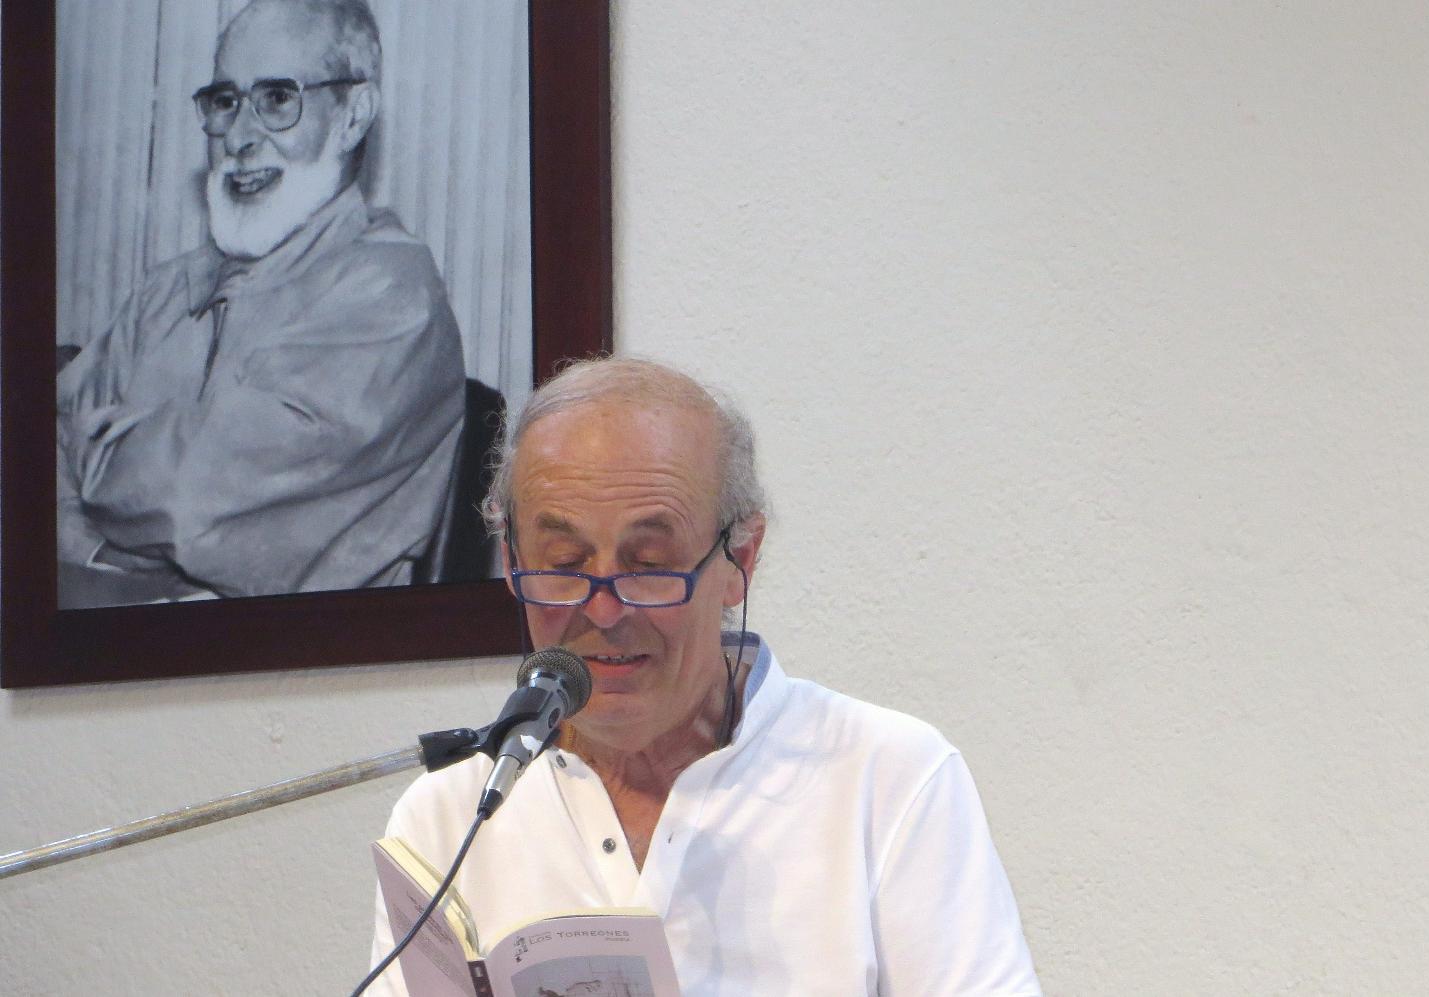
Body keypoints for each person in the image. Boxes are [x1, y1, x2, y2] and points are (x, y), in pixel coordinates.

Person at [368, 357, 1040, 995]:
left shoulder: (887, 777)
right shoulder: (450, 816)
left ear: (740, 557)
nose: (604, 609)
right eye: (564, 562)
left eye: (649, 563)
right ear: (512, 558)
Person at [55, 0, 464, 607]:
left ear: (353, 116)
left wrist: (91, 446)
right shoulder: (167, 289)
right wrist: (104, 548)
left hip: (304, 668)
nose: (241, 137)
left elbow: (189, 498)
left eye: (277, 99)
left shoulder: (391, 293)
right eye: (225, 101)